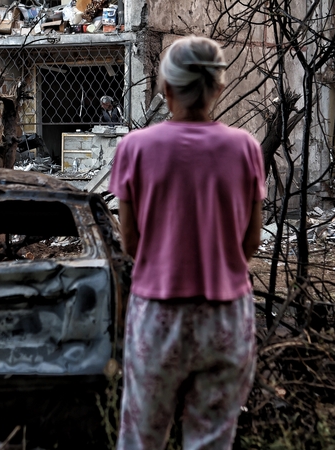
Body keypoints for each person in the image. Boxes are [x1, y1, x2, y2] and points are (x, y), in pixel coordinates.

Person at [109, 36, 265, 450]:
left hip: (159, 316)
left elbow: (130, 242)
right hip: (226, 317)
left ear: (165, 88)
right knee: (212, 441)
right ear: (218, 86)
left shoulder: (134, 148)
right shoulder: (245, 148)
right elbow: (250, 242)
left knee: (142, 438)